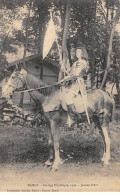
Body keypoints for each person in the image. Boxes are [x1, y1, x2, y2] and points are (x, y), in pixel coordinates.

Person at [60, 46, 90, 118]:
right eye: (76, 52)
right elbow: (69, 73)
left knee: (68, 97)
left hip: (78, 82)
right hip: (71, 82)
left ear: (83, 53)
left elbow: (76, 74)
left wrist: (65, 78)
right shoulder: (75, 63)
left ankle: (74, 115)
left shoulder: (83, 62)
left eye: (79, 52)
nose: (77, 53)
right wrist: (64, 69)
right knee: (62, 95)